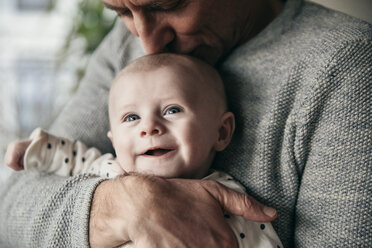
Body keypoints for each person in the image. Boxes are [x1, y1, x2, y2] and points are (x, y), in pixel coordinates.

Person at [0, 0, 370, 247]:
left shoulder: (346, 67)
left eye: (168, 4)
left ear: (223, 130)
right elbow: (13, 205)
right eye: (121, 12)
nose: (147, 43)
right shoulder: (122, 47)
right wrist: (126, 205)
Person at [5, 54, 284, 248]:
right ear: (114, 141)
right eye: (131, 118)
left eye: (172, 110)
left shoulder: (229, 203)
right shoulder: (110, 171)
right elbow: (74, 158)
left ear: (221, 132)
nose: (149, 127)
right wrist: (38, 148)